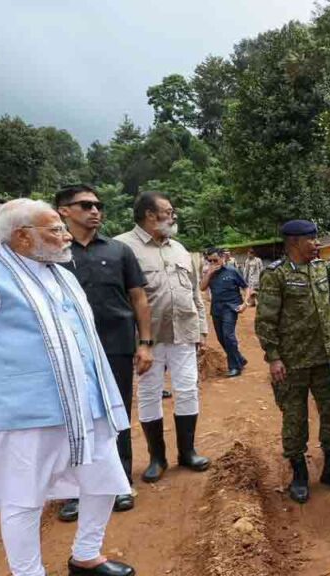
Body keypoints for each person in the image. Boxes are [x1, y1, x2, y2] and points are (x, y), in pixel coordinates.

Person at [0, 198, 134, 576]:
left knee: (103, 480)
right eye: (55, 229)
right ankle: (28, 572)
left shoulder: (62, 273)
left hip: (87, 401)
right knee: (24, 498)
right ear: (21, 237)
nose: (66, 235)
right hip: (27, 412)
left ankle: (86, 555)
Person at [54, 184, 154, 521]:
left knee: (116, 416)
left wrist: (145, 343)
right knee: (73, 418)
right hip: (68, 351)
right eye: (85, 205)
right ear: (63, 211)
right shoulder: (51, 254)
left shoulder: (119, 251)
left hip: (116, 346)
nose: (95, 211)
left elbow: (138, 297)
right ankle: (76, 491)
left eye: (98, 205)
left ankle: (120, 483)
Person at [255, 219, 330, 503]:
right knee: (295, 418)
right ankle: (299, 472)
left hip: (326, 359)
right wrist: (273, 358)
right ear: (294, 242)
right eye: (311, 239)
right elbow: (265, 321)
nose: (316, 244)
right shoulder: (276, 275)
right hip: (292, 361)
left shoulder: (322, 268)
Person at [115, 191, 210, 483]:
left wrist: (202, 328)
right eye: (168, 211)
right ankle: (157, 458)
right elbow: (121, 297)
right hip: (147, 339)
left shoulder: (179, 249)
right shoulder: (122, 248)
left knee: (188, 389)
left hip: (183, 332)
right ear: (149, 215)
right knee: (149, 393)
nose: (173, 215)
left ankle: (187, 451)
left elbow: (194, 292)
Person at [200, 247, 251, 377]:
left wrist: (245, 303)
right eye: (210, 261)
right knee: (221, 338)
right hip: (216, 308)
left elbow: (246, 287)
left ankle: (235, 367)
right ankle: (239, 359)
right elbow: (202, 287)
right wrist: (209, 273)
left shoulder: (232, 271)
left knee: (228, 335)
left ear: (223, 258)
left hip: (231, 307)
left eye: (215, 260)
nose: (212, 263)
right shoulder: (209, 273)